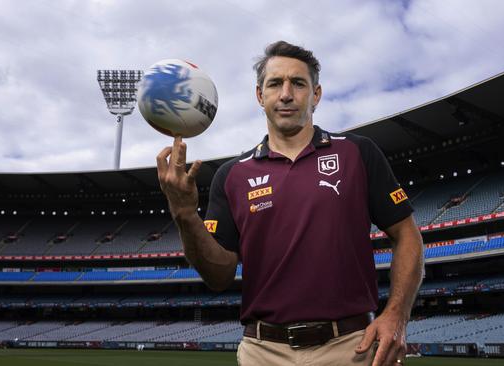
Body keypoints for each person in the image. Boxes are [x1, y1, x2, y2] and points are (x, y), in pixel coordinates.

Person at [157, 41, 423, 366]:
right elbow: (219, 276)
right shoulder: (232, 175)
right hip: (262, 351)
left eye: (298, 83)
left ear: (316, 94)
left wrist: (397, 314)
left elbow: (407, 234)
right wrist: (184, 214)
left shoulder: (357, 153)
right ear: (260, 95)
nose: (286, 94)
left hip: (351, 347)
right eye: (275, 83)